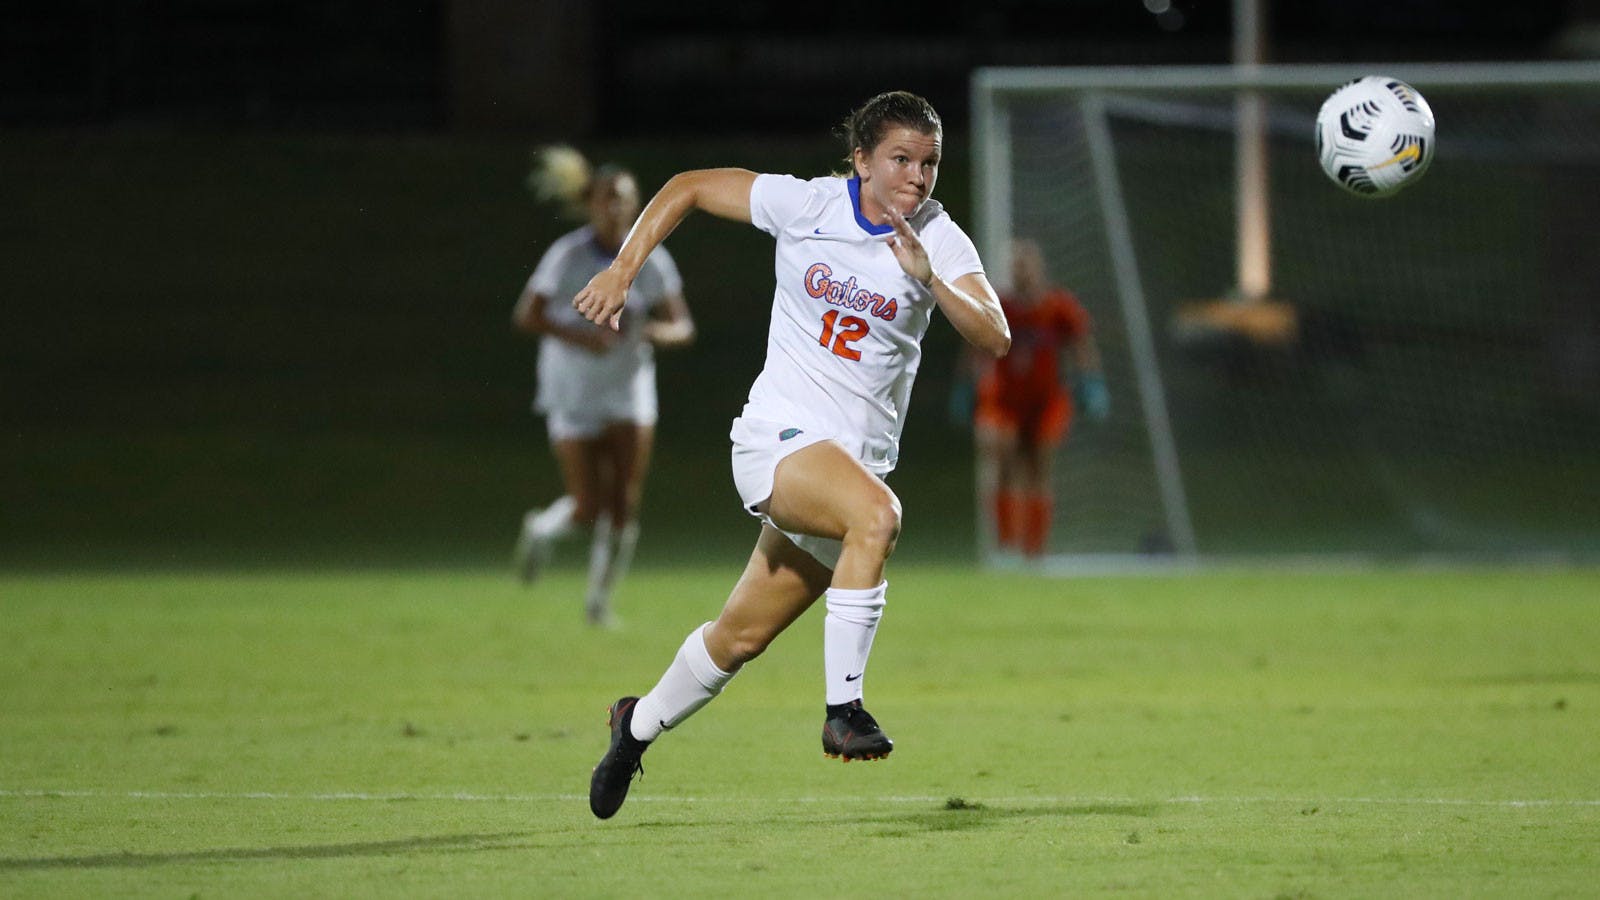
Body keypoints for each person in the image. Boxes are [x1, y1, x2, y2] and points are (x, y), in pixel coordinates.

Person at [570, 91, 1010, 819]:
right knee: (878, 517)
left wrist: (928, 274)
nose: (917, 176)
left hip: (842, 470)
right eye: (900, 159)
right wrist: (623, 270)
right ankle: (844, 709)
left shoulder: (939, 236)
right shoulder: (807, 206)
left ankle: (633, 728)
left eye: (930, 162)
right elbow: (687, 188)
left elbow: (994, 337)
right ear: (861, 159)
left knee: (737, 639)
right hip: (777, 441)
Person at [511, 146, 696, 627]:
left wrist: (649, 331)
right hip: (572, 389)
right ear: (591, 203)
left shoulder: (650, 259)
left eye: (624, 199)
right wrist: (580, 336)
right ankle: (542, 530)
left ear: (637, 205)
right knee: (587, 504)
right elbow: (527, 315)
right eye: (607, 198)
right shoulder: (567, 255)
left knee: (624, 500)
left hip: (630, 389)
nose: (615, 207)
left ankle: (598, 602)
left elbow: (682, 326)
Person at [964, 238, 1109, 558]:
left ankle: (1034, 549)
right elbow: (975, 346)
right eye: (1017, 267)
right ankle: (1005, 544)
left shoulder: (1058, 307)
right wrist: (966, 386)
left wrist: (1090, 382)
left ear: (1040, 269)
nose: (1023, 273)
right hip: (1005, 401)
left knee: (1037, 468)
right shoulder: (1000, 305)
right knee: (1002, 459)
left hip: (1045, 402)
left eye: (1027, 266)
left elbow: (1081, 345)